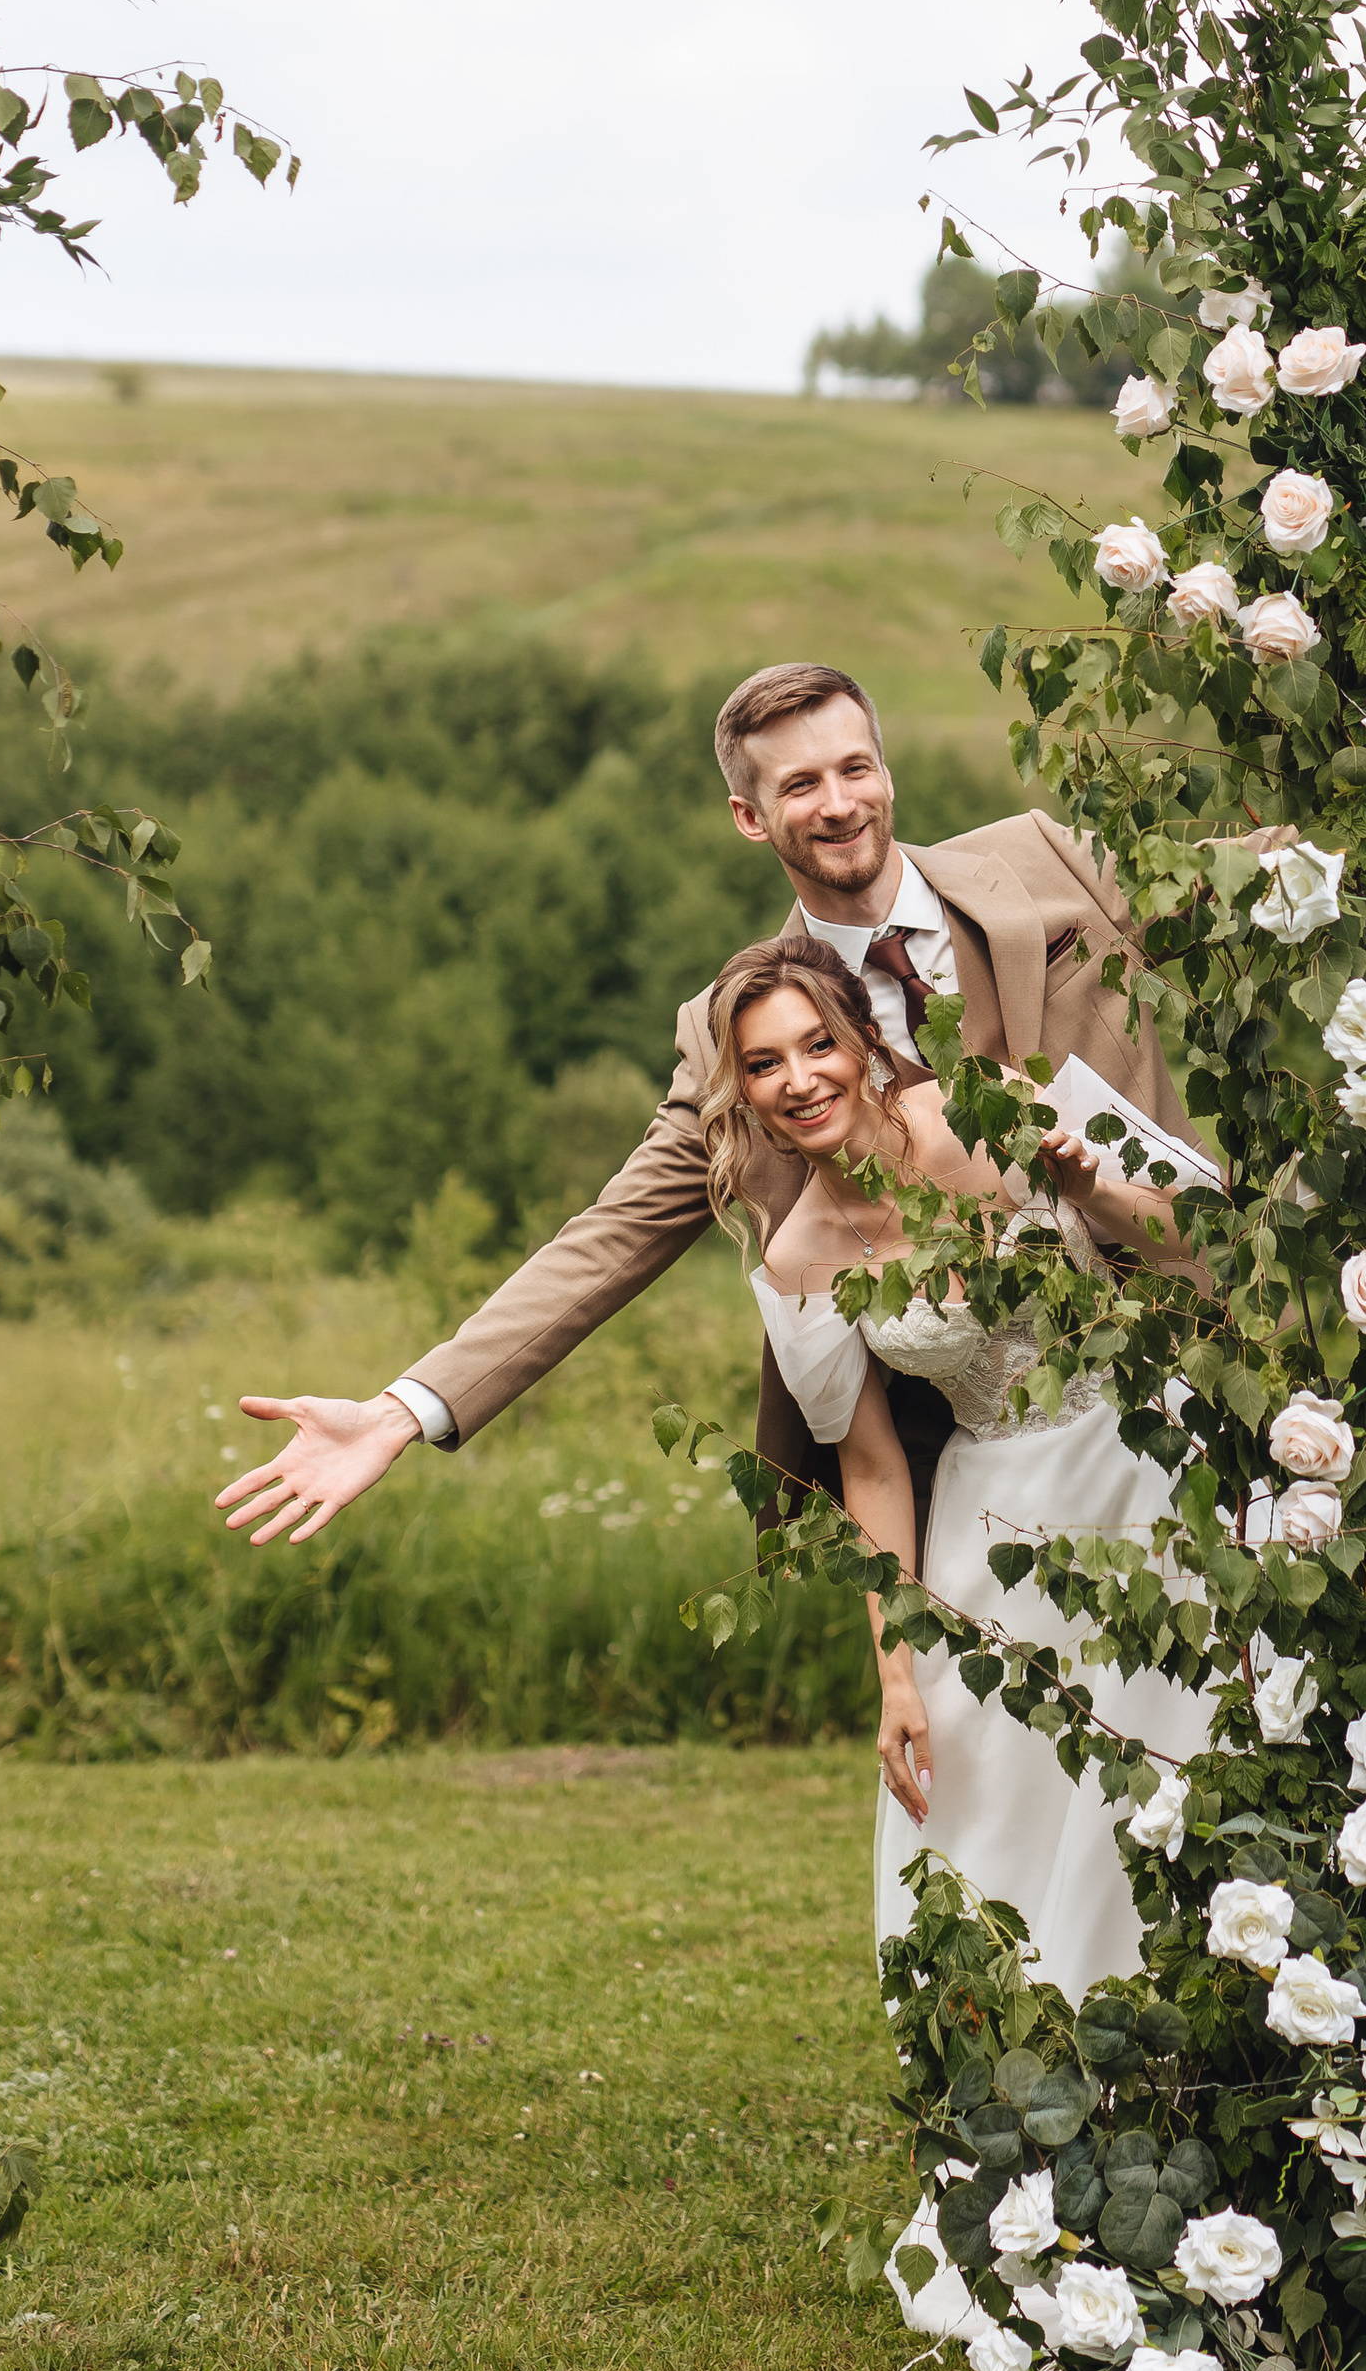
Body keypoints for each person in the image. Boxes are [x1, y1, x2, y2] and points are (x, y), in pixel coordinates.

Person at [216, 657, 1198, 1552]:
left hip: (1198, 1353)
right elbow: (613, 1233)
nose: (839, 804)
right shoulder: (732, 1037)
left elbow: (1235, 886)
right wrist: (402, 1409)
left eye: (855, 770)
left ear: (886, 776)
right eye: (800, 785)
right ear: (749, 816)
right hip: (977, 1460)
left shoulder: (1040, 862)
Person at [709, 931, 1212, 1991]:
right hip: (992, 1525)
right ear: (742, 1090)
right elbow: (876, 1470)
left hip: (1145, 1460)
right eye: (764, 1064)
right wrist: (895, 1672)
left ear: (860, 1042)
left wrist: (1087, 1183)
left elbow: (1185, 1234)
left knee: (1174, 1769)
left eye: (816, 1046)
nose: (799, 1081)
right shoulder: (799, 1259)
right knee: (1000, 1812)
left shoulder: (985, 1104)